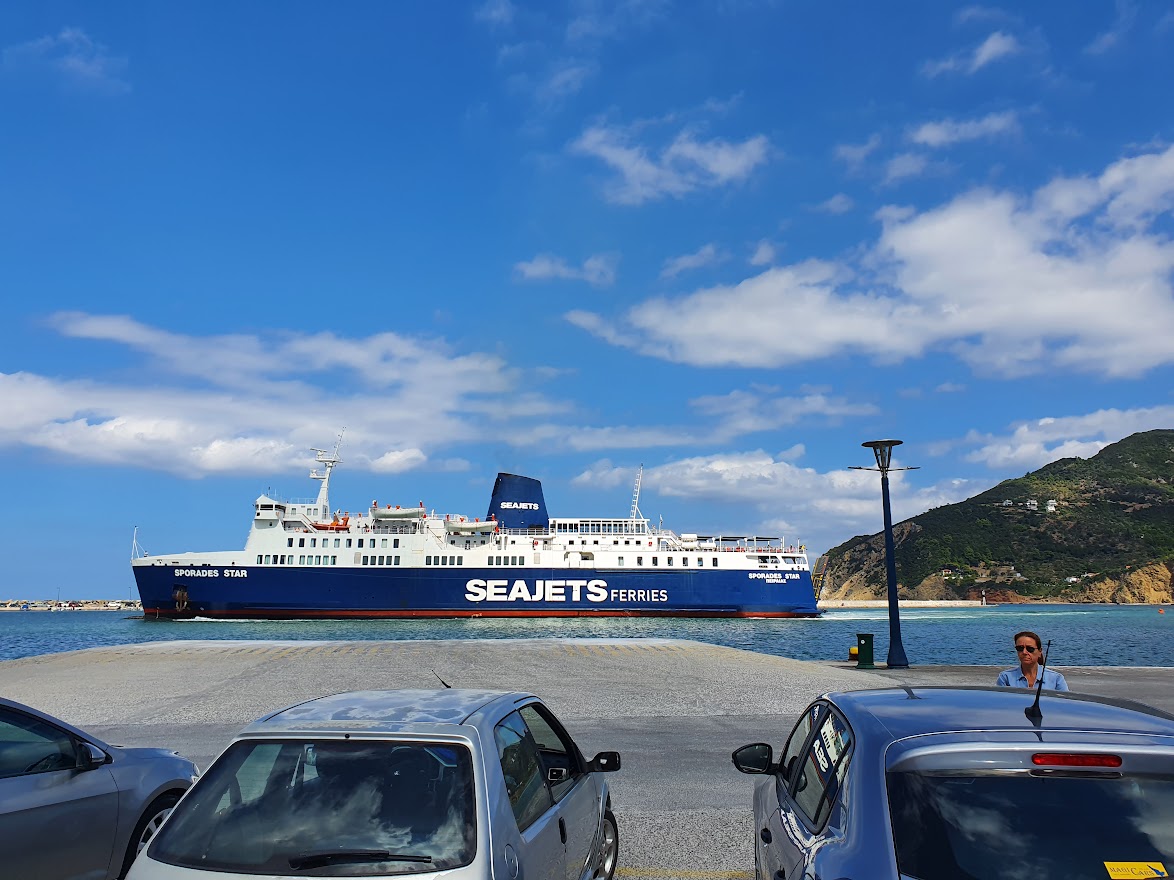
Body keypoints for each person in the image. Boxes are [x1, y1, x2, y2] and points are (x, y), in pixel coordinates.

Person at [996, 630, 1069, 691]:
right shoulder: (1005, 678)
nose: (1024, 652)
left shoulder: (1056, 679)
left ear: (1040, 651)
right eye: (1020, 648)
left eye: (1030, 649)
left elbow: (1065, 704)